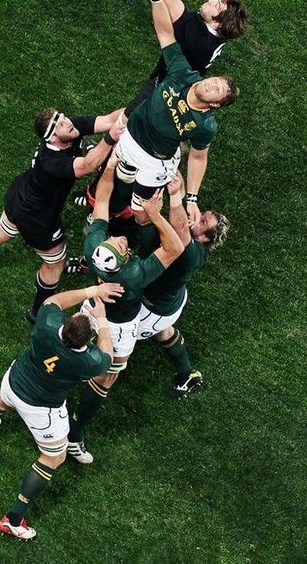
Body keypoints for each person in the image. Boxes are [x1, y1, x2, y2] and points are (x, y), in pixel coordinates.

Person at [0, 282, 123, 540]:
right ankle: (13, 519)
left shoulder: (47, 324)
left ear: (67, 323)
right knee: (54, 458)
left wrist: (91, 292)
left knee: (0, 402)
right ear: (87, 341)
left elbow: (55, 300)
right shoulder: (87, 361)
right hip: (42, 410)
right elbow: (108, 356)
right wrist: (102, 320)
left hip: (15, 379)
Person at [0, 107, 125, 319]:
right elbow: (87, 165)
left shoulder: (69, 129)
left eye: (63, 118)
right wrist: (109, 138)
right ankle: (36, 314)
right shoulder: (50, 160)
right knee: (55, 265)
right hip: (38, 219)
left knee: (0, 233)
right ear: (52, 137)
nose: (67, 122)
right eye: (60, 124)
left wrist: (137, 107)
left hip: (20, 198)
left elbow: (109, 120)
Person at [66, 152, 184, 456]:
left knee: (69, 349)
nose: (120, 238)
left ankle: (57, 382)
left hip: (91, 305)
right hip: (118, 328)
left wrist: (110, 167)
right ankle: (74, 433)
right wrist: (156, 215)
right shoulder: (133, 274)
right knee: (106, 380)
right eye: (120, 245)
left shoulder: (94, 245)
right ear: (122, 262)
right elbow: (175, 247)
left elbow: (102, 200)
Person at [117, 0, 239, 226]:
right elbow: (164, 32)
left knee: (141, 215)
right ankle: (98, 202)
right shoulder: (183, 72)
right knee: (116, 173)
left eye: (217, 89)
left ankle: (128, 228)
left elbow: (198, 157)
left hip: (155, 162)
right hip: (131, 136)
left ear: (215, 104)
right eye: (216, 80)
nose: (211, 83)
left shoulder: (206, 125)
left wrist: (191, 198)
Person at [137, 176, 230, 397]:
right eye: (203, 215)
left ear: (205, 238)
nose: (197, 219)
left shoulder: (192, 253)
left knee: (114, 332)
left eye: (203, 222)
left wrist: (166, 204)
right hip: (171, 300)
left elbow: (178, 229)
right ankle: (188, 373)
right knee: (163, 332)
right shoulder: (193, 235)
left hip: (152, 308)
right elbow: (181, 213)